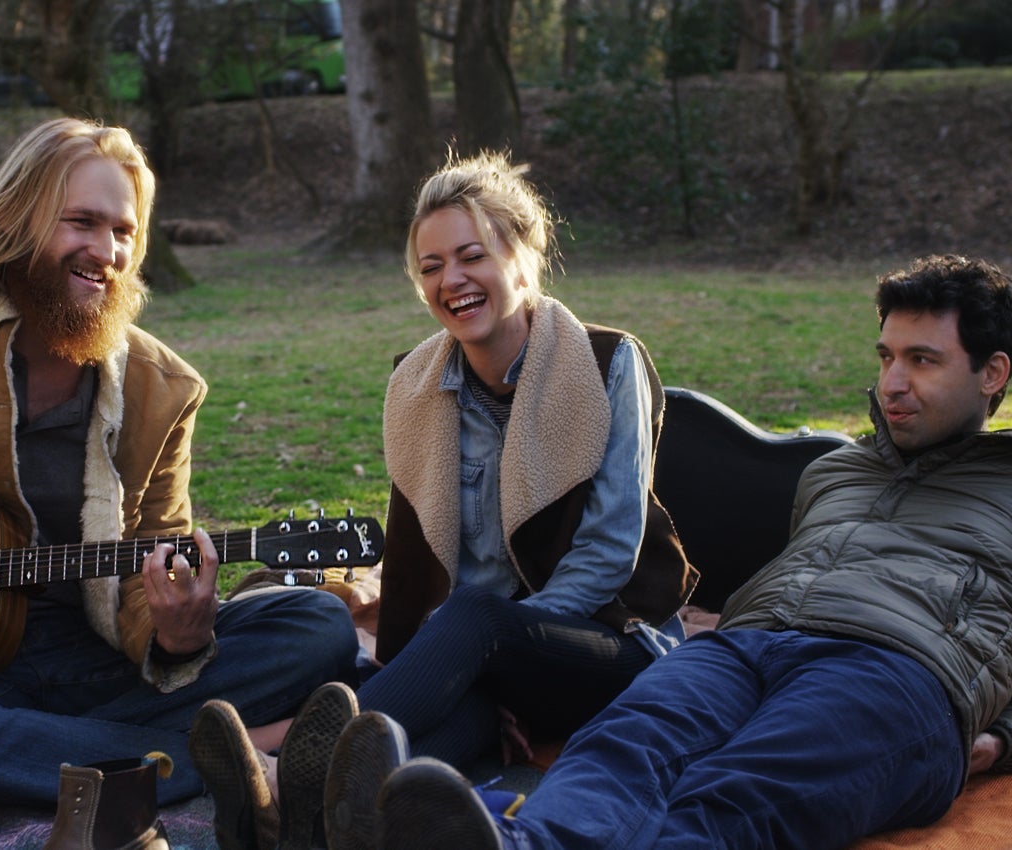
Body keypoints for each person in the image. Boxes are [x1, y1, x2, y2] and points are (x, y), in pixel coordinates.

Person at [322, 254, 1012, 850]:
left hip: (897, 672)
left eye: (922, 361)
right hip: (744, 649)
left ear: (992, 372)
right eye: (886, 357)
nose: (892, 384)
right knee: (622, 745)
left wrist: (1003, 740)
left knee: (735, 794)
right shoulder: (836, 471)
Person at [0, 118, 360, 823]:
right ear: (20, 218)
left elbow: (152, 558)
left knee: (318, 625)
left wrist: (177, 636)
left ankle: (86, 751)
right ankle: (236, 754)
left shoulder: (163, 389)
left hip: (97, 662)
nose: (107, 252)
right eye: (82, 223)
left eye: (124, 232)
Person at [186, 150, 697, 850]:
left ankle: (279, 770)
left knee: (474, 619)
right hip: (488, 656)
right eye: (431, 267)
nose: (450, 280)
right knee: (444, 730)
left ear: (523, 258)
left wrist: (490, 651)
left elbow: (608, 554)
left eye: (471, 256)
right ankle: (315, 820)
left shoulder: (607, 364)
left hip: (610, 643)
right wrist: (460, 667)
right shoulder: (418, 387)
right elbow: (416, 559)